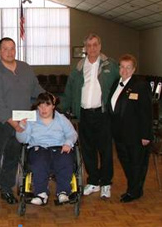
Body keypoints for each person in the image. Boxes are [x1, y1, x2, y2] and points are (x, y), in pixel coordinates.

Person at [0, 37, 44, 213]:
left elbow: (36, 89)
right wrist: (13, 123)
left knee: (11, 161)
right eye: (5, 49)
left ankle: (6, 189)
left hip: (21, 122)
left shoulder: (25, 68)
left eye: (12, 48)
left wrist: (48, 98)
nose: (9, 52)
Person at [60, 33, 119, 199]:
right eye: (89, 45)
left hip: (103, 114)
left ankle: (106, 183)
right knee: (88, 151)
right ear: (85, 48)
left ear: (100, 46)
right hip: (84, 115)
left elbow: (123, 82)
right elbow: (69, 93)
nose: (92, 48)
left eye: (95, 45)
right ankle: (93, 181)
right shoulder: (78, 68)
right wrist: (58, 109)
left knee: (105, 150)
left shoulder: (111, 66)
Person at [16, 92, 78, 205]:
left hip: (59, 147)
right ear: (37, 106)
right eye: (40, 106)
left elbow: (72, 134)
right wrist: (21, 127)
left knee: (65, 159)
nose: (43, 109)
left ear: (53, 106)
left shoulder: (61, 118)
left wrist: (68, 143)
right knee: (39, 161)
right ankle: (41, 194)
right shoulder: (31, 118)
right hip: (38, 147)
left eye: (47, 105)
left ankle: (63, 192)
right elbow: (22, 140)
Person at [109, 54, 153, 203]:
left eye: (128, 67)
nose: (125, 70)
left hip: (135, 134)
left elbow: (146, 112)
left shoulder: (140, 85)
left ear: (133, 69)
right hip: (119, 134)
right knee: (126, 162)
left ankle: (134, 192)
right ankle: (134, 188)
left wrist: (146, 135)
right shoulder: (116, 83)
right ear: (119, 68)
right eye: (122, 66)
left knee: (136, 163)